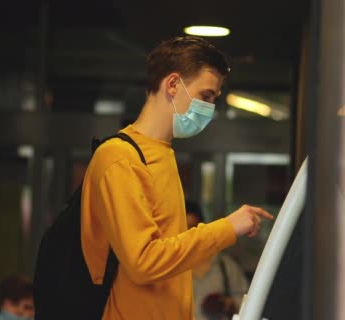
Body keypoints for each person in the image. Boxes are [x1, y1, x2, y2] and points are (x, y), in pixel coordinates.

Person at [80, 36, 273, 320]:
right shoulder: (119, 158)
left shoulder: (163, 155)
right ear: (172, 84)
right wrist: (226, 229)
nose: (209, 108)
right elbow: (143, 262)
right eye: (206, 96)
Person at [185, 201, 249, 320]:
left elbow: (247, 302)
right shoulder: (170, 269)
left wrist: (230, 304)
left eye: (193, 229)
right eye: (185, 231)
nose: (189, 236)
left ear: (202, 229)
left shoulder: (226, 267)